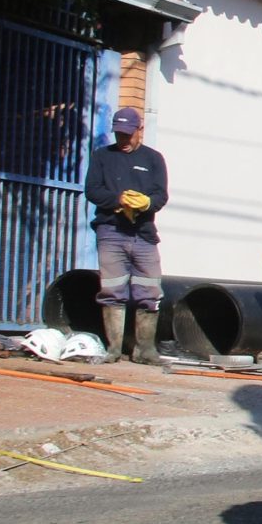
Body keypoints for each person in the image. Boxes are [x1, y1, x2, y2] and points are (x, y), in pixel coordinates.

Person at [82, 106, 168, 364]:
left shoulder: (153, 159)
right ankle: (114, 350)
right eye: (119, 134)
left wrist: (146, 203)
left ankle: (145, 350)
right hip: (111, 231)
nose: (123, 140)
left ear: (139, 130)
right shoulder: (102, 156)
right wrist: (117, 200)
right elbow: (92, 190)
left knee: (149, 290)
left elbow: (161, 195)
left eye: (128, 134)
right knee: (112, 289)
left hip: (143, 234)